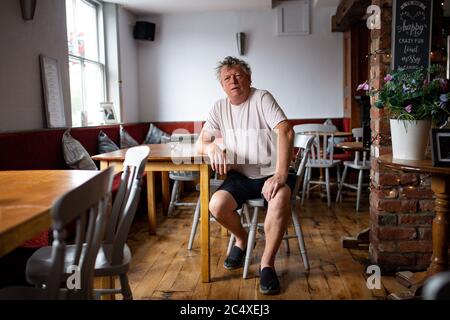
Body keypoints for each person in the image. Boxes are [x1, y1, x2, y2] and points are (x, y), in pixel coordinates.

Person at [196, 56, 295, 295]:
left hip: (271, 172)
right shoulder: (219, 107)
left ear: (249, 79)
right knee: (216, 205)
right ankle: (241, 239)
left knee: (280, 198)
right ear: (222, 85)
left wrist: (281, 174)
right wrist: (212, 148)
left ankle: (266, 264)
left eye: (238, 75)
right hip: (240, 176)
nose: (233, 81)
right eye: (227, 78)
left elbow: (286, 130)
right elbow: (202, 141)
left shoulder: (261, 97)